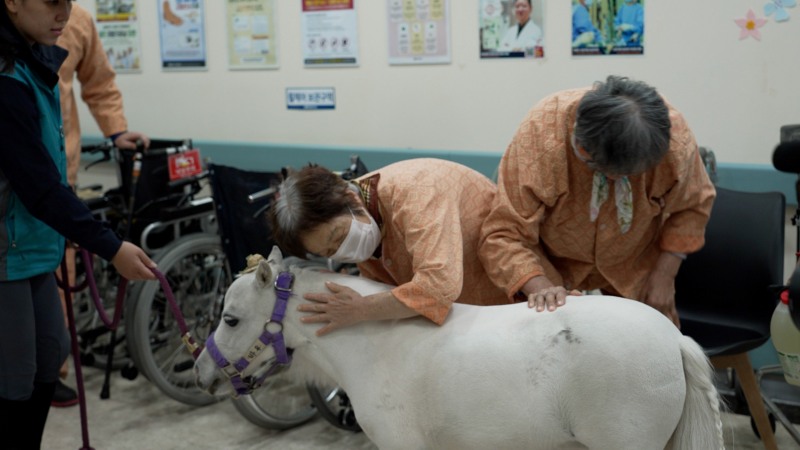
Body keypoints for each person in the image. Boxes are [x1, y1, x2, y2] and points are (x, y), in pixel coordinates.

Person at [0, 1, 156, 447]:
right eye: (52, 2)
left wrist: (114, 130)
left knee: (50, 356)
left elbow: (101, 81)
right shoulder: (7, 78)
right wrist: (111, 247)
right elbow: (36, 185)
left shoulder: (42, 51)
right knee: (15, 379)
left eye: (68, 1)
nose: (63, 13)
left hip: (43, 225)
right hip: (15, 234)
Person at [479, 75, 716, 327]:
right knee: (551, 344)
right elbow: (503, 233)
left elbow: (693, 206)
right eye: (610, 173)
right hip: (551, 263)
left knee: (648, 343)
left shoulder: (675, 143)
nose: (618, 180)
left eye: (630, 176)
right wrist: (540, 287)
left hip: (634, 262)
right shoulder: (542, 135)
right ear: (582, 147)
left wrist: (664, 276)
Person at [268, 158, 511, 336]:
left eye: (339, 236)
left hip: (508, 304)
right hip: (465, 322)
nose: (344, 250)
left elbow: (438, 287)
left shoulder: (418, 192)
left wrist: (361, 309)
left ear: (352, 200)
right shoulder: (364, 213)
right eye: (329, 252)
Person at [51, 1, 150, 407]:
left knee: (58, 276)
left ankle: (50, 368)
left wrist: (116, 130)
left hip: (57, 173)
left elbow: (99, 81)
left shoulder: (75, 19)